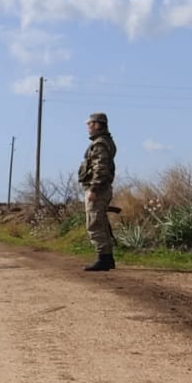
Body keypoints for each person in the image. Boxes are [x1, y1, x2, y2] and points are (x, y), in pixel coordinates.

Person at [79, 112, 117, 272]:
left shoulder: (100, 144)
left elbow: (100, 168)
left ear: (97, 124)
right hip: (102, 188)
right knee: (100, 222)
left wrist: (94, 188)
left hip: (98, 189)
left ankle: (103, 259)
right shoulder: (104, 142)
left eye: (89, 124)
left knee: (94, 223)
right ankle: (107, 258)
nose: (88, 127)